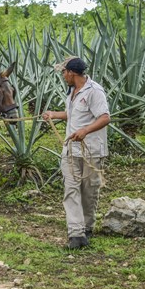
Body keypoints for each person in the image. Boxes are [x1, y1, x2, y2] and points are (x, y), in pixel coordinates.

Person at [42, 56, 111, 249]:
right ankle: (76, 234)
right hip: (70, 150)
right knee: (70, 189)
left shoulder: (94, 91)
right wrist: (54, 115)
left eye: (64, 72)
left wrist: (85, 131)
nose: (63, 76)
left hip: (91, 150)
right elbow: (73, 114)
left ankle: (87, 227)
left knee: (89, 191)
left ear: (71, 73)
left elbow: (105, 118)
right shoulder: (72, 92)